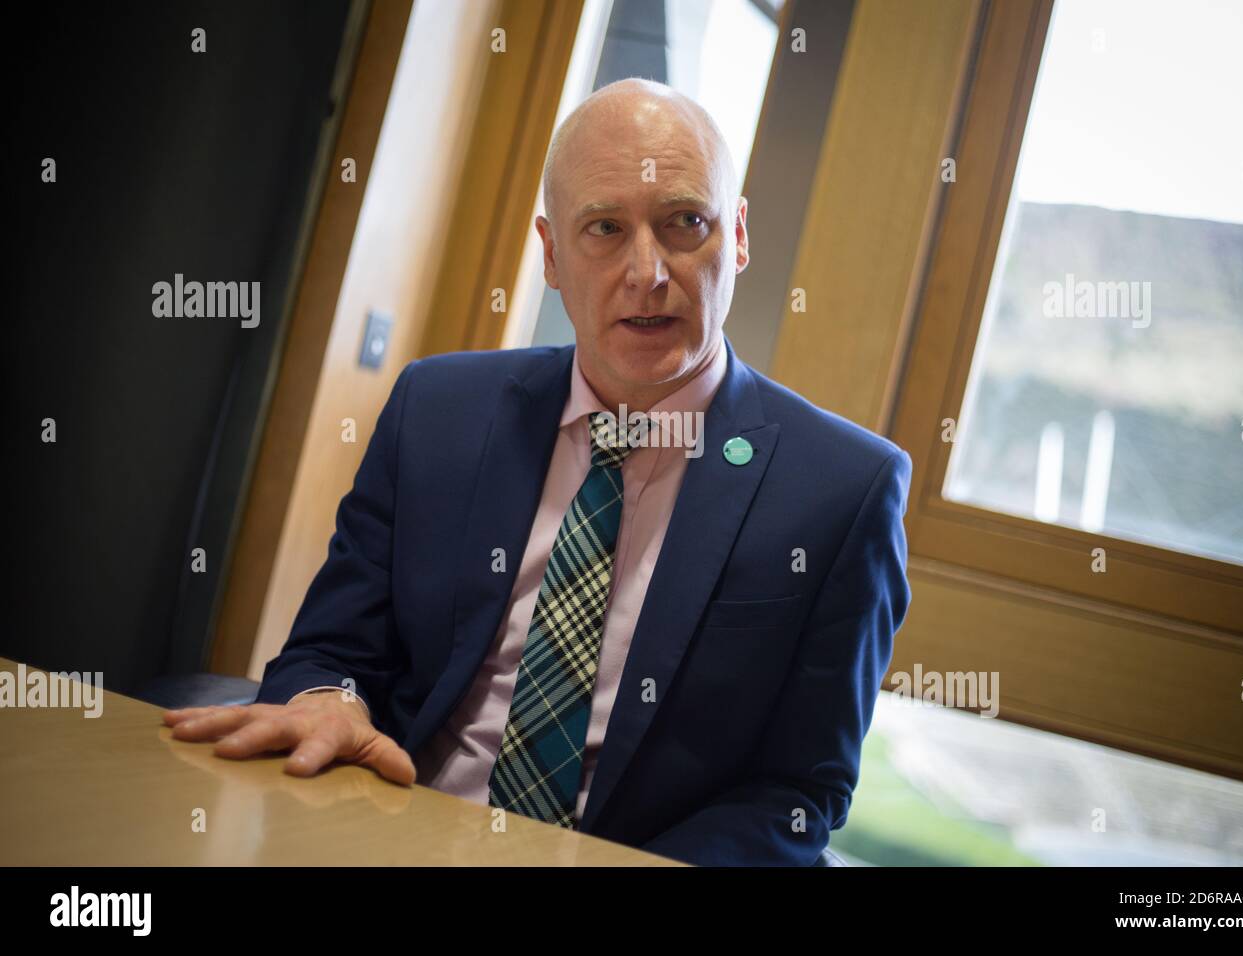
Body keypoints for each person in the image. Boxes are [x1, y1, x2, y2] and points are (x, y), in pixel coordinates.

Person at [164, 77, 911, 866]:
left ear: (740, 237)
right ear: (551, 254)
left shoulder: (843, 491)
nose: (648, 271)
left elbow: (797, 795)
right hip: (391, 830)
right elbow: (333, 649)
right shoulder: (439, 409)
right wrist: (330, 703)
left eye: (685, 222)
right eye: (605, 229)